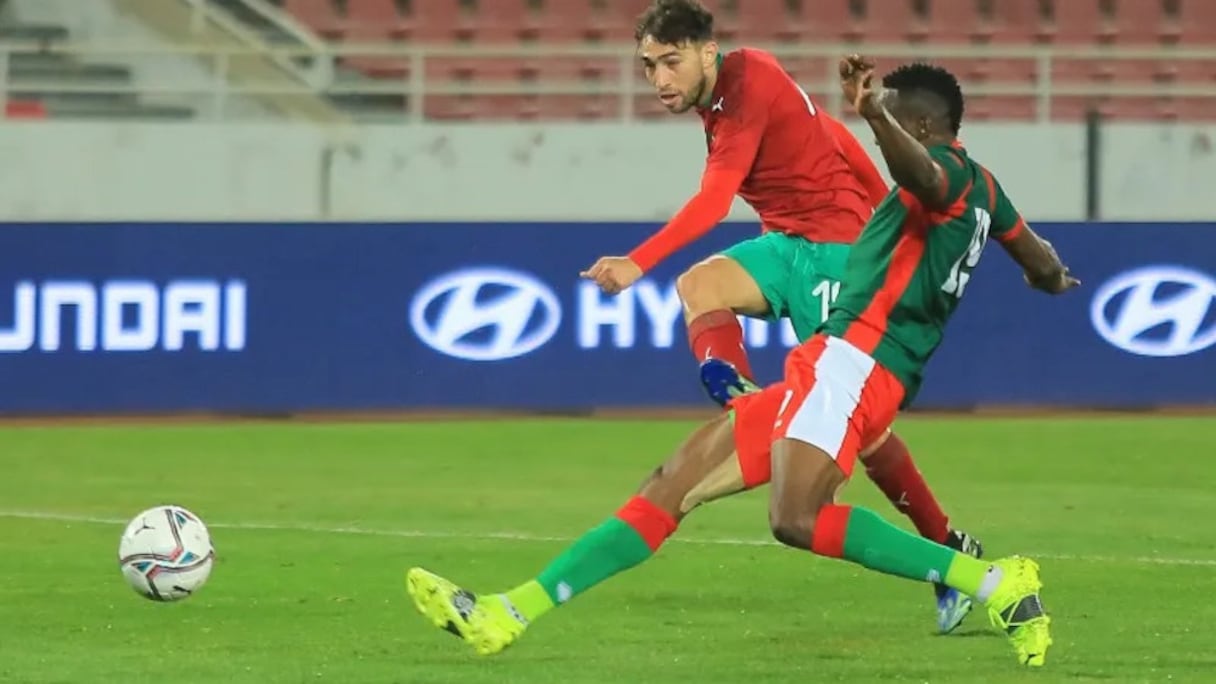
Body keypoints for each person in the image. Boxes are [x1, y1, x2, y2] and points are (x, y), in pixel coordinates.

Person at [404, 56, 1079, 668]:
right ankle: (507, 614)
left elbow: (922, 174)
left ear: (923, 126)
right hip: (842, 365)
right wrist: (1050, 278)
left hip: (855, 363)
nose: (882, 136)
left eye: (896, 123)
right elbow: (1040, 259)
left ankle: (989, 580)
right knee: (671, 485)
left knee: (797, 517)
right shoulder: (990, 193)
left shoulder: (947, 172)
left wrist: (875, 116)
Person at [579, 0, 980, 631]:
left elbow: (715, 201)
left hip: (837, 252)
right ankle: (739, 397)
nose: (659, 78)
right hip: (788, 243)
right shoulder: (724, 98)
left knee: (864, 432)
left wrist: (636, 262)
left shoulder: (749, 84)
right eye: (649, 65)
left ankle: (950, 552)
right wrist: (889, 204)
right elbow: (832, 132)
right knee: (701, 285)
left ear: (708, 52)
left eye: (671, 61)